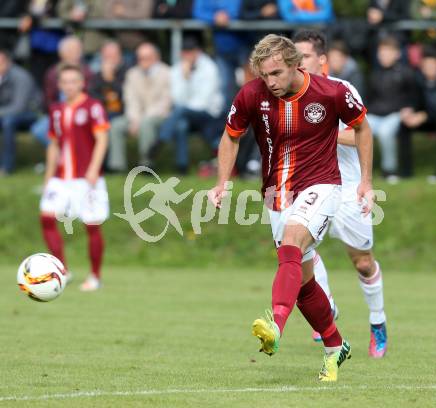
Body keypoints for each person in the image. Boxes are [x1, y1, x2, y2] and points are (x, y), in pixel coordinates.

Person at [208, 34, 374, 381]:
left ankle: (276, 325)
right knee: (302, 281)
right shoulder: (252, 94)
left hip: (322, 185)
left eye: (277, 74)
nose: (270, 82)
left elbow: (362, 128)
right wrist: (222, 180)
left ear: (295, 65)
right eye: (264, 75)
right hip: (276, 194)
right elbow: (231, 135)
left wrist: (366, 181)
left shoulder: (331, 92)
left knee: (291, 245)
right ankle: (335, 345)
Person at [293, 29, 388, 358]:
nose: (297, 63)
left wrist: (366, 182)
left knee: (362, 262)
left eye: (303, 56)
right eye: (293, 57)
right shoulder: (285, 95)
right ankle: (328, 307)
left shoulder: (340, 90)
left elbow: (362, 133)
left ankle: (378, 322)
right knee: (297, 247)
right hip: (306, 186)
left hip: (346, 187)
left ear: (322, 60)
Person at [40, 63, 110, 292]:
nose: (69, 86)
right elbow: (53, 145)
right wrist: (49, 176)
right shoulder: (56, 110)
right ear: (59, 85)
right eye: (65, 82)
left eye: (73, 81)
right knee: (47, 218)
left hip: (86, 177)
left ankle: (95, 276)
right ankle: (62, 270)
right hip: (61, 178)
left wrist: (93, 168)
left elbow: (102, 139)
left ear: (82, 83)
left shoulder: (93, 107)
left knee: (91, 225)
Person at [158, 36, 224, 174]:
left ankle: (161, 139)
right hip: (186, 114)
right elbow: (176, 98)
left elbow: (203, 102)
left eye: (190, 51)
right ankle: (182, 166)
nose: (187, 55)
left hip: (208, 114)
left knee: (180, 112)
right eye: (185, 52)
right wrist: (186, 77)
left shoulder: (209, 67)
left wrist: (185, 105)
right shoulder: (177, 69)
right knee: (181, 125)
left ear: (197, 52)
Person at [107, 42, 171, 172]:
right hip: (136, 116)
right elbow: (130, 99)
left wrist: (141, 120)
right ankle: (117, 166)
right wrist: (135, 119)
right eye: (141, 58)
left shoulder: (167, 73)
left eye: (147, 57)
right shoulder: (132, 74)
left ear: (156, 57)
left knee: (146, 123)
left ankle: (146, 164)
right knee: (115, 125)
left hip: (160, 116)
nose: (144, 61)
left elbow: (165, 102)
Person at [367, 35, 417, 182]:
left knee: (385, 132)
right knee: (356, 130)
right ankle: (357, 170)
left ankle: (389, 170)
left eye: (388, 52)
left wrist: (409, 108)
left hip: (396, 114)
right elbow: (369, 98)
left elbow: (415, 96)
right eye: (381, 52)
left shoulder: (406, 73)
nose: (384, 55)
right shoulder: (374, 74)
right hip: (375, 115)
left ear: (397, 53)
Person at [399, 44, 436, 182]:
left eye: (432, 64)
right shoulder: (418, 80)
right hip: (425, 118)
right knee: (404, 125)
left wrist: (424, 115)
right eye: (426, 65)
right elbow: (414, 101)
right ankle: (405, 172)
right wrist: (409, 111)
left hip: (434, 118)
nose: (429, 68)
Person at [0, 49, 41, 175]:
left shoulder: (21, 76)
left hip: (29, 114)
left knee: (8, 122)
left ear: (8, 62)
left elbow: (19, 107)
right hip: (5, 114)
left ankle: (6, 167)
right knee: (7, 119)